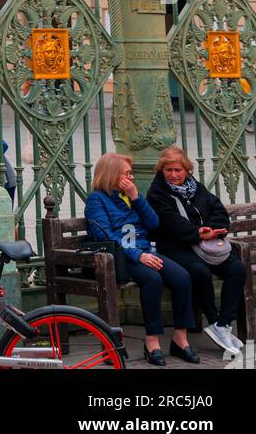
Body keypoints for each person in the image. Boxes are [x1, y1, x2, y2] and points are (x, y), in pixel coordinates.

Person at [86, 151, 197, 365]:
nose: (131, 178)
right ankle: (152, 342)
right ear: (112, 174)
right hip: (119, 258)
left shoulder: (129, 196)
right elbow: (106, 236)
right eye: (127, 174)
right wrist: (138, 255)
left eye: (131, 173)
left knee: (182, 277)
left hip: (146, 251)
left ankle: (180, 339)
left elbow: (154, 224)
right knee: (152, 279)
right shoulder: (96, 200)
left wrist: (137, 198)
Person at [147, 146, 245, 355]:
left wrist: (213, 230)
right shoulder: (157, 193)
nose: (173, 175)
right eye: (168, 170)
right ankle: (213, 319)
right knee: (199, 272)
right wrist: (199, 233)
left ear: (187, 171)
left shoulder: (196, 187)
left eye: (177, 170)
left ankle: (223, 324)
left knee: (237, 269)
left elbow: (217, 209)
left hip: (205, 245)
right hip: (175, 247)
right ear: (161, 170)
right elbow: (169, 222)